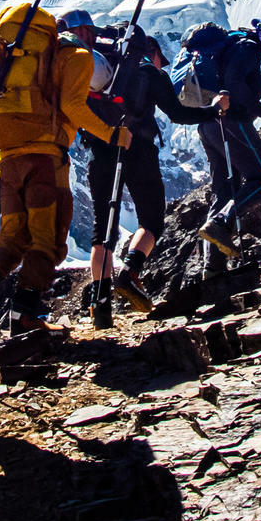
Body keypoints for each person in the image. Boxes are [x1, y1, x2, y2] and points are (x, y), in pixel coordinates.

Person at [0, 0, 128, 352]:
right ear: (82, 32)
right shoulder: (73, 56)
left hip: (6, 159)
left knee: (11, 239)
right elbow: (73, 107)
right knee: (47, 240)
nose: (93, 38)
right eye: (92, 32)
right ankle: (25, 318)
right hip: (45, 162)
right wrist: (112, 134)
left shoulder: (10, 53)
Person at [81, 33, 227, 321]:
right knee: (150, 220)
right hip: (138, 151)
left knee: (103, 229)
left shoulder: (97, 70)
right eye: (162, 56)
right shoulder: (149, 71)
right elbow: (177, 113)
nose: (164, 62)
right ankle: (130, 271)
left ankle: (100, 307)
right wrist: (214, 110)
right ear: (152, 50)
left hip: (99, 150)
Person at [191, 18, 261, 258]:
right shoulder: (249, 48)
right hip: (232, 122)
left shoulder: (237, 46)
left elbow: (233, 78)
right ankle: (223, 221)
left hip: (209, 123)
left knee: (225, 192)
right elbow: (234, 83)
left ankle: (212, 265)